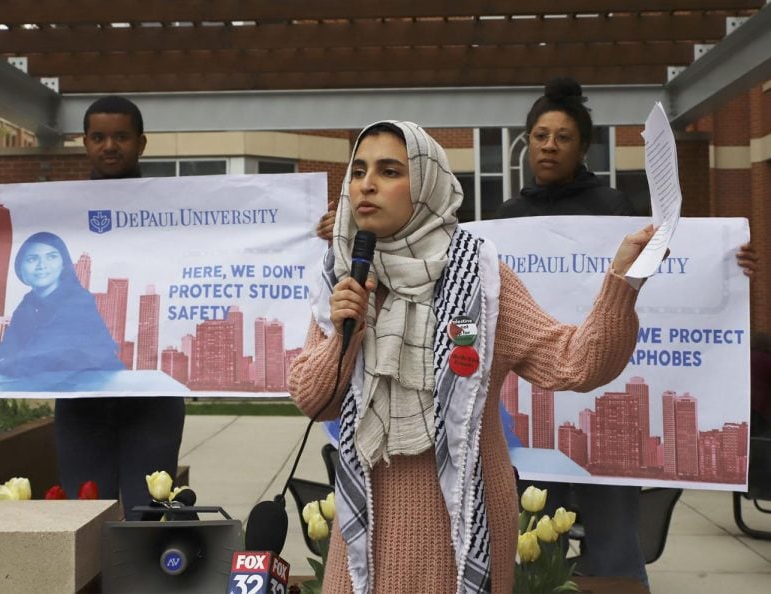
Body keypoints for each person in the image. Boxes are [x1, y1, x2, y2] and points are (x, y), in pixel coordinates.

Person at [289, 120, 653, 593]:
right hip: (366, 520)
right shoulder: (343, 274)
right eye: (358, 171)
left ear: (427, 184)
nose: (367, 185)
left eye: (390, 170)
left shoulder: (482, 281)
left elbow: (574, 362)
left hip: (460, 527)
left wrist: (622, 281)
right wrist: (345, 335)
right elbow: (313, 401)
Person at [495, 78, 757, 585]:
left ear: (582, 148)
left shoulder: (614, 209)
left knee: (614, 542)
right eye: (540, 136)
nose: (549, 146)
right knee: (528, 541)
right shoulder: (508, 218)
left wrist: (729, 263)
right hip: (536, 409)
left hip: (605, 406)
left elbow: (660, 272)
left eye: (562, 137)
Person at [0, 96, 185, 519]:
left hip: (151, 401)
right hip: (78, 403)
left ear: (141, 144)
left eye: (121, 137)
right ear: (84, 143)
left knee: (152, 516)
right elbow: (12, 353)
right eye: (99, 137)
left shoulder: (181, 208)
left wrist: (319, 232)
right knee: (84, 514)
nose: (110, 146)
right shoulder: (49, 231)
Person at [0, 232, 124, 376]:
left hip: (104, 391)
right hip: (64, 388)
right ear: (21, 270)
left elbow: (39, 356)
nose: (42, 266)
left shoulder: (78, 300)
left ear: (64, 265)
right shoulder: (27, 304)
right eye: (32, 259)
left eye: (51, 257)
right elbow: (8, 354)